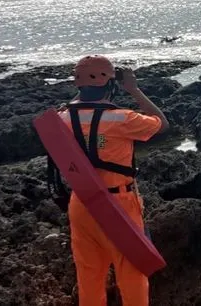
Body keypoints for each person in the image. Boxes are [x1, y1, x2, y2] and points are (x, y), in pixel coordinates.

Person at [58, 54, 169, 306]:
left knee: (89, 275)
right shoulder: (121, 118)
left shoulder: (62, 118)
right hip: (119, 203)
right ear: (109, 83)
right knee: (132, 274)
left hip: (81, 203)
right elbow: (162, 124)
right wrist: (134, 89)